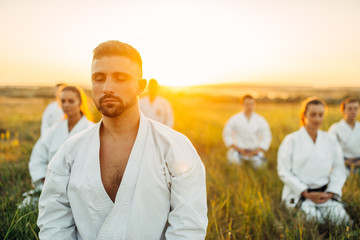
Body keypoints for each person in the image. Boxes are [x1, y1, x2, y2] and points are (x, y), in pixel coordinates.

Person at [37, 40, 208, 239]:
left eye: (120, 78)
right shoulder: (69, 151)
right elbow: (53, 222)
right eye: (99, 78)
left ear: (140, 86)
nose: (107, 88)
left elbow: (188, 227)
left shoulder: (175, 148)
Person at [277, 97, 349, 224]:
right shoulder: (291, 140)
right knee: (314, 221)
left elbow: (339, 168)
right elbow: (284, 171)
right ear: (304, 115)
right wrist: (304, 191)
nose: (317, 119)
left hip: (324, 194)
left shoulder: (330, 140)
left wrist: (331, 192)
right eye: (313, 115)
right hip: (299, 194)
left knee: (342, 221)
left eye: (320, 115)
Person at [29, 86, 94, 191]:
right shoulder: (55, 129)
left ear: (80, 102)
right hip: (52, 184)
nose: (66, 105)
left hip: (81, 187)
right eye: (63, 101)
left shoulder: (91, 129)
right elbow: (38, 153)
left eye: (71, 101)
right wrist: (43, 178)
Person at [222, 94, 272, 168]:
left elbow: (267, 136)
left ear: (254, 104)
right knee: (234, 163)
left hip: (254, 150)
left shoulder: (260, 120)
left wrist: (257, 150)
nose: (249, 107)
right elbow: (226, 134)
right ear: (242, 105)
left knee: (261, 166)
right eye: (247, 104)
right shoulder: (234, 118)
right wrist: (238, 148)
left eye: (251, 104)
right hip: (238, 150)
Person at [329, 97, 360, 175]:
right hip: (342, 163)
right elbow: (329, 151)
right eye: (350, 109)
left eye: (356, 109)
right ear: (343, 111)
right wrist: (346, 162)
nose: (353, 111)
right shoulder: (335, 128)